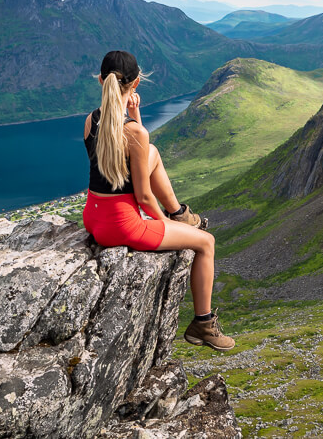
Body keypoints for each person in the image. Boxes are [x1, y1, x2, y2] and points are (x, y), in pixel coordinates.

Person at [82, 50, 234, 351]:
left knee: (151, 153)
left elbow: (119, 161)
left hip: (94, 217)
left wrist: (135, 118)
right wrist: (162, 222)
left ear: (101, 81)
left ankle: (178, 211)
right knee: (206, 242)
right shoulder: (135, 133)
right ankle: (203, 323)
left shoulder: (91, 120)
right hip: (122, 226)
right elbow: (142, 195)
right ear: (136, 83)